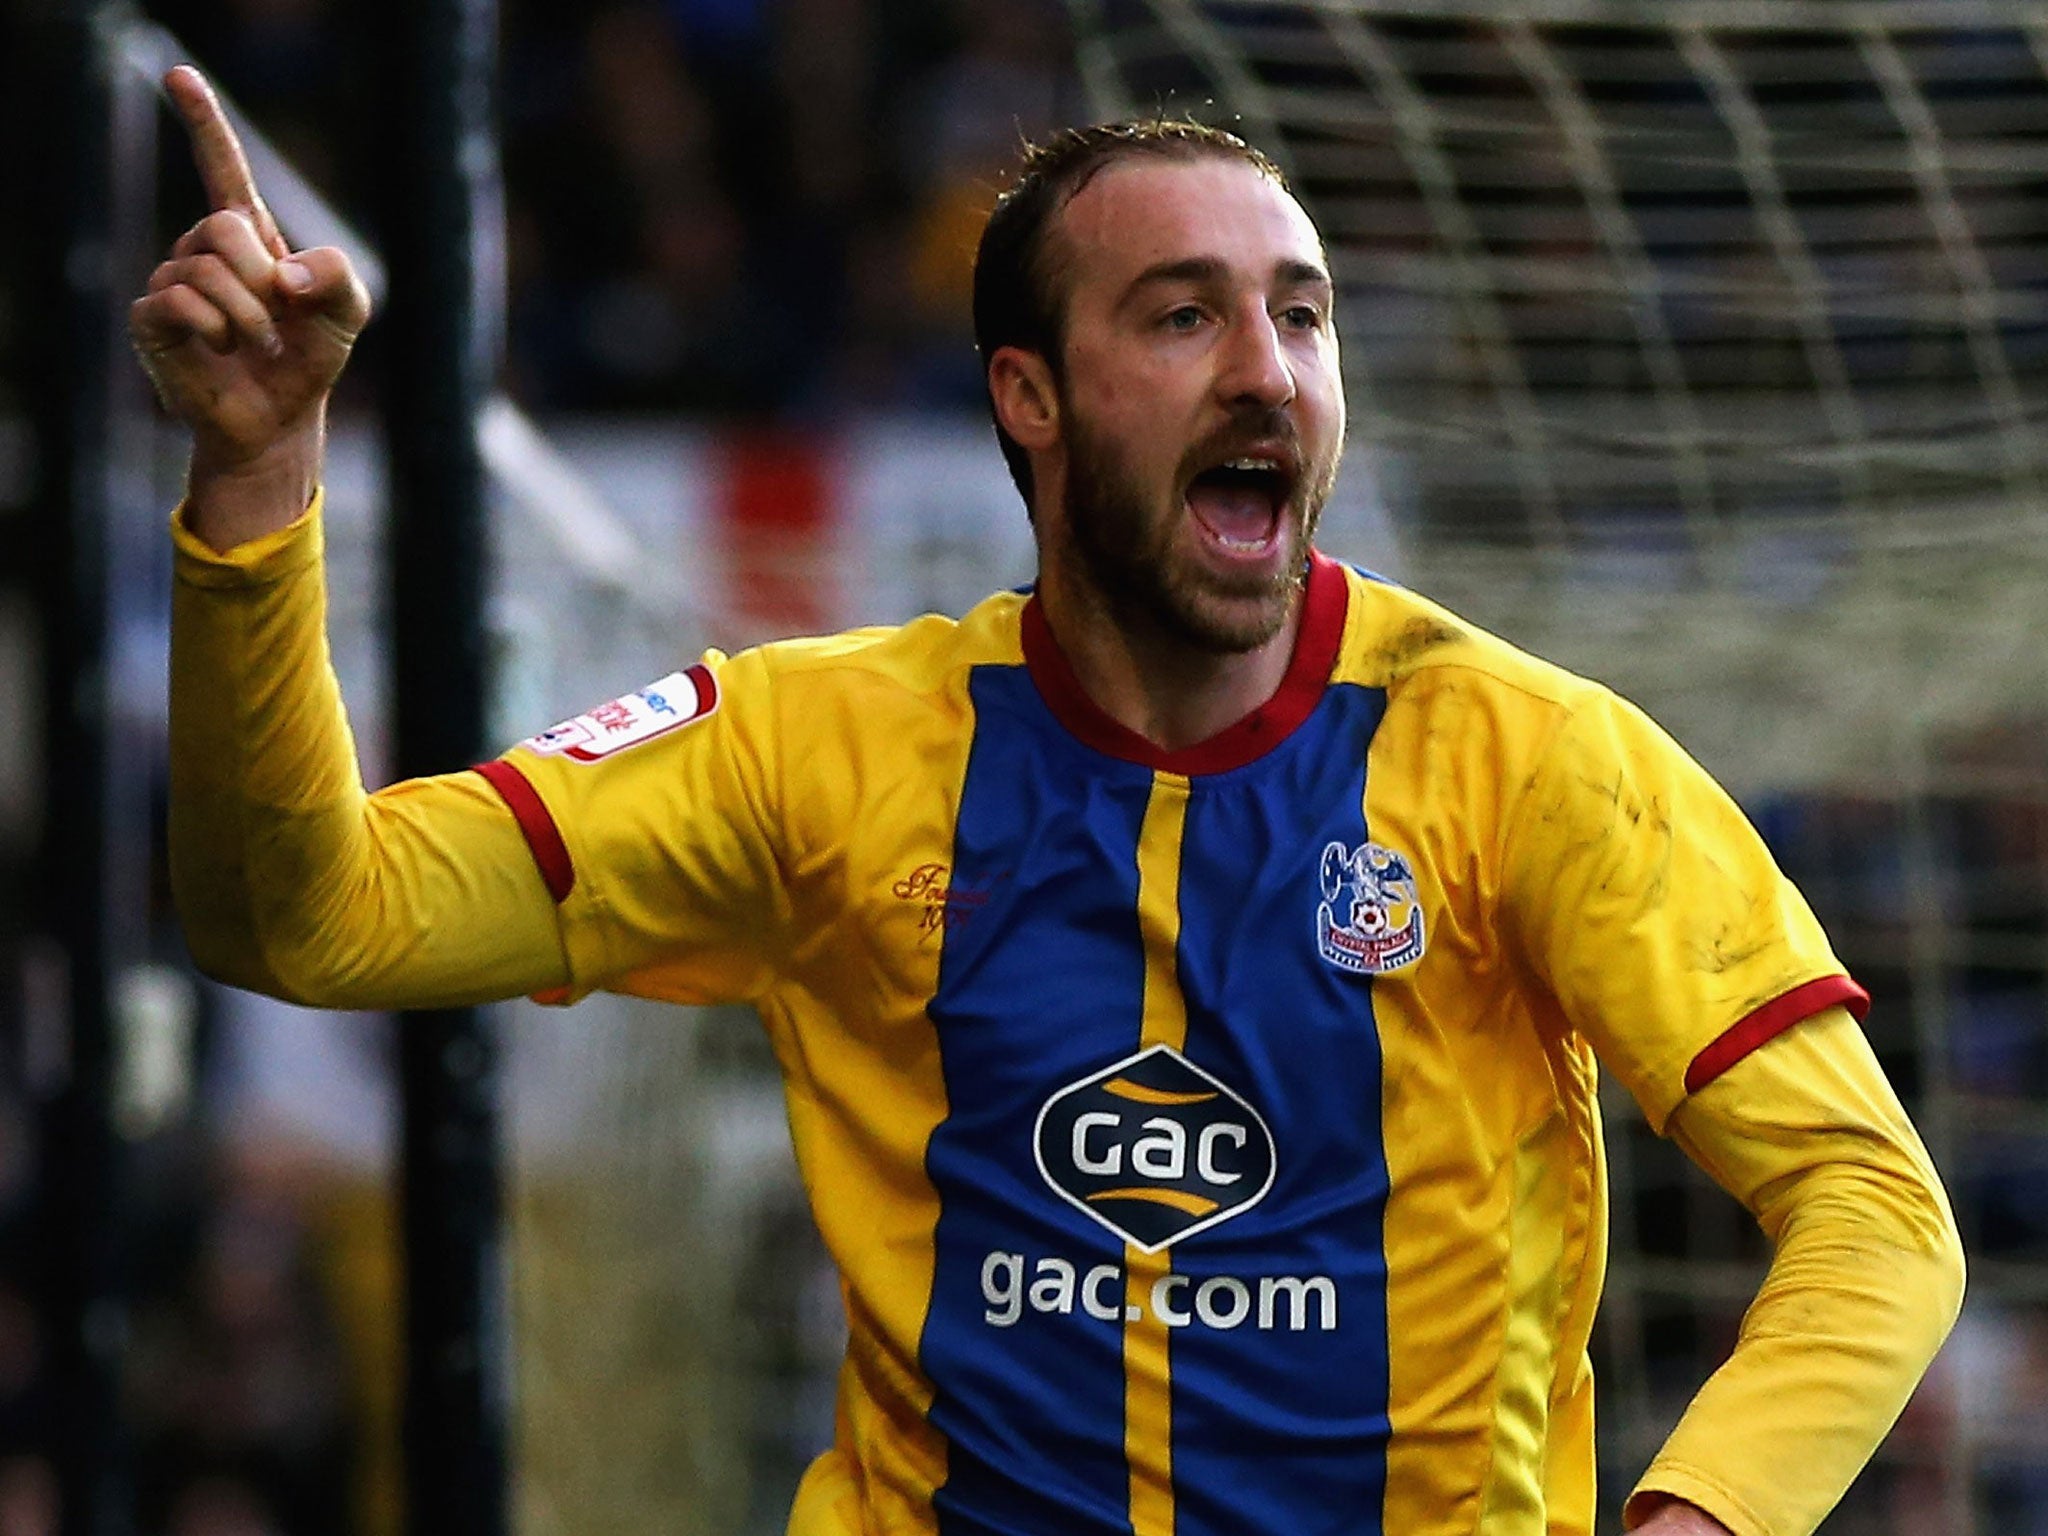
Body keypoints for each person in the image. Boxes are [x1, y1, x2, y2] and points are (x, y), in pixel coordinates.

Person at [134, 62, 1964, 1536]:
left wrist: (1700, 1519)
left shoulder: (1532, 760)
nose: (1267, 368)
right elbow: (308, 916)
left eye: (1301, 317)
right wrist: (258, 479)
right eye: (1184, 316)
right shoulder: (815, 749)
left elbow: (1878, 1219)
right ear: (1029, 395)